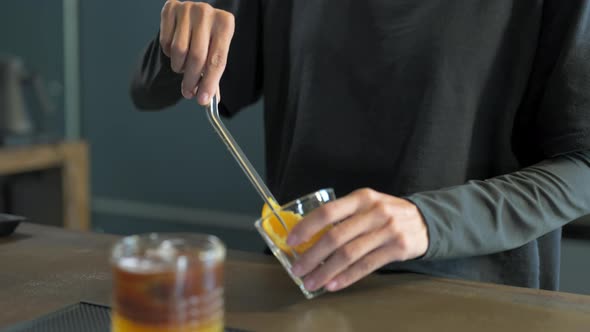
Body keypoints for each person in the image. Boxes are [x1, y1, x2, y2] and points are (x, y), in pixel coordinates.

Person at [131, 0, 590, 294]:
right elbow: (149, 91)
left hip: (477, 304)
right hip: (304, 297)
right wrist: (178, 35)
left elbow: (583, 166)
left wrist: (428, 222)